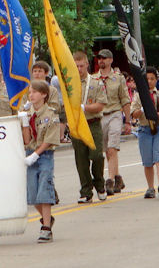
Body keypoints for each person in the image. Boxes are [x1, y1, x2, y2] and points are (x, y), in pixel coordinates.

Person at [20, 80, 59, 243]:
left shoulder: (51, 114)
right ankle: (47, 218)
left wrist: (36, 154)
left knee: (44, 189)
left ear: (44, 95)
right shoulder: (27, 113)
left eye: (35, 92)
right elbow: (27, 139)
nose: (31, 95)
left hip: (45, 155)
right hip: (30, 154)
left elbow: (49, 139)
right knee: (33, 194)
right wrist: (24, 123)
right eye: (30, 92)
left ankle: (46, 228)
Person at [72, 51, 108, 203]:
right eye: (76, 66)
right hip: (76, 125)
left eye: (81, 65)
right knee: (81, 160)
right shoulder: (69, 84)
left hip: (92, 123)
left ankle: (99, 183)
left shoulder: (96, 82)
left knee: (97, 156)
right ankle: (86, 191)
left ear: (87, 64)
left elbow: (100, 105)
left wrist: (85, 108)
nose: (79, 69)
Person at [95, 49, 131, 196]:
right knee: (107, 151)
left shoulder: (118, 78)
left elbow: (125, 99)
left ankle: (109, 181)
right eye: (99, 58)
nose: (101, 61)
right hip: (100, 115)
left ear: (110, 60)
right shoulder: (94, 79)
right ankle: (118, 178)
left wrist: (127, 121)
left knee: (112, 148)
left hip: (115, 114)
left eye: (104, 58)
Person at [131, 67, 159, 199]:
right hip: (144, 129)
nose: (149, 81)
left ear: (156, 80)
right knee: (147, 161)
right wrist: (143, 109)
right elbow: (134, 114)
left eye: (152, 79)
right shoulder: (138, 96)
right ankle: (150, 187)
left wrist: (153, 114)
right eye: (146, 79)